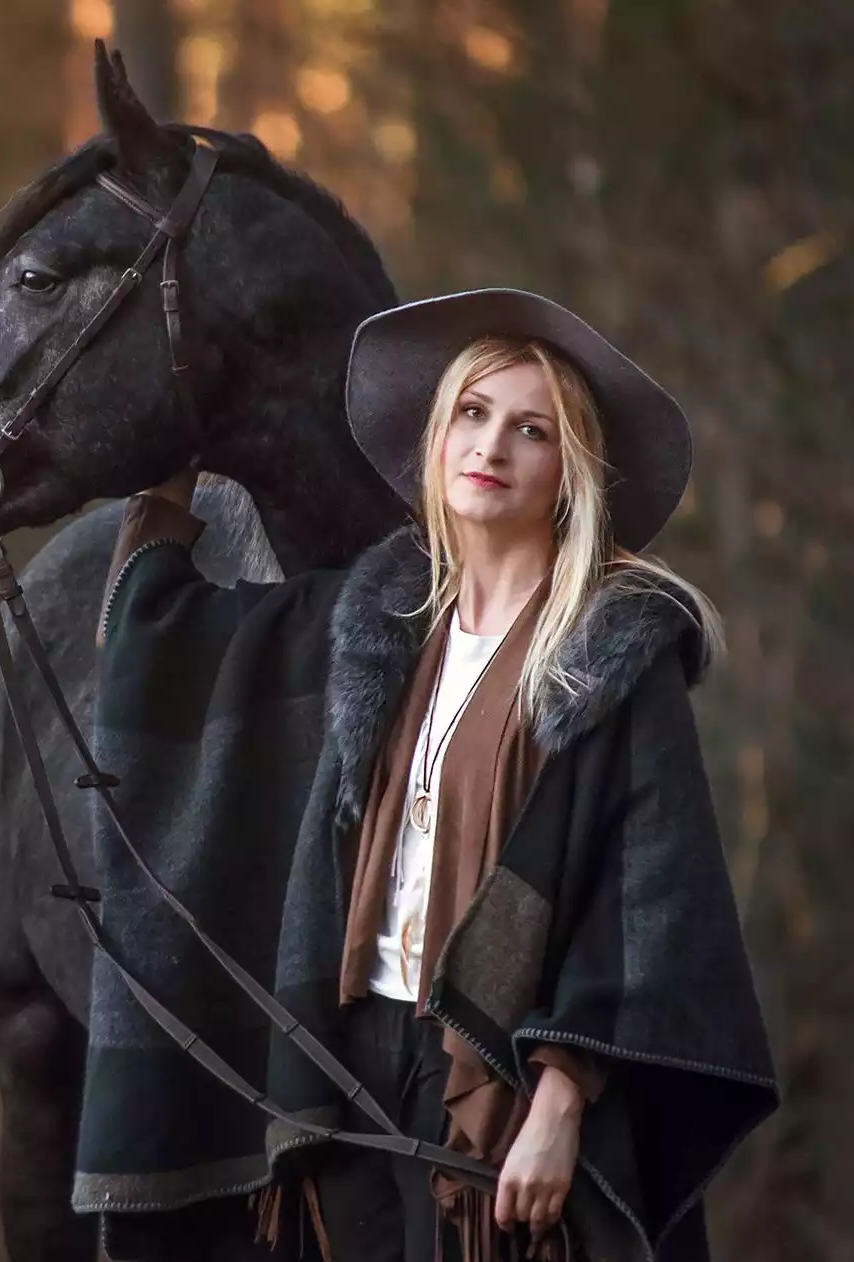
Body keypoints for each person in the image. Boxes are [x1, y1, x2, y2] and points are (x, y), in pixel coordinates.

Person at [76, 289, 779, 1262]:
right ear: (437, 437)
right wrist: (163, 476)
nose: (491, 444)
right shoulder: (372, 627)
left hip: (504, 1073)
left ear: (567, 472)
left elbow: (654, 899)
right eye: (471, 413)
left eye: (529, 429)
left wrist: (558, 1104)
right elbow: (170, 644)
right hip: (349, 1058)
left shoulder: (607, 654)